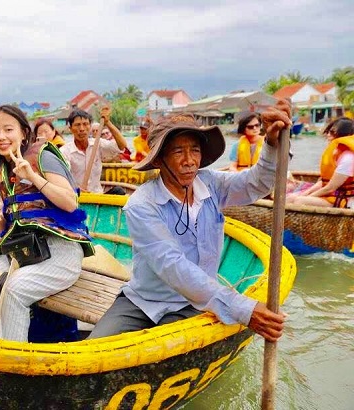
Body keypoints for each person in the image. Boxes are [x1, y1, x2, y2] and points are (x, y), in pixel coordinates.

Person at [89, 101, 292, 342]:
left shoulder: (212, 184)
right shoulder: (141, 205)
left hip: (194, 302)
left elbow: (257, 183)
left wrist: (271, 143)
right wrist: (242, 308)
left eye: (194, 150)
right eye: (177, 152)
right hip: (144, 300)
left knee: (165, 349)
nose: (189, 161)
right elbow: (173, 266)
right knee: (97, 344)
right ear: (158, 160)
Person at [0, 105, 94, 342]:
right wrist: (1, 219)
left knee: (14, 290)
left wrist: (33, 176)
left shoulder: (42, 155)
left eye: (8, 129)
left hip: (61, 251)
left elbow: (70, 203)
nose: (1, 137)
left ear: (24, 132)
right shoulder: (3, 169)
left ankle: (13, 363)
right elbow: (13, 228)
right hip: (24, 253)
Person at [287, 117, 354, 208]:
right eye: (328, 131)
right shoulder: (336, 152)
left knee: (299, 201)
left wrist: (307, 197)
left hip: (345, 200)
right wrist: (304, 194)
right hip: (331, 196)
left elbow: (331, 187)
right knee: (290, 198)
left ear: (346, 134)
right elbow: (322, 182)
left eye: (332, 132)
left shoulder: (348, 157)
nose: (328, 135)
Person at [60, 107, 127, 194]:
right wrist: (75, 190)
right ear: (70, 129)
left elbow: (122, 146)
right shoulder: (65, 151)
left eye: (85, 124)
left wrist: (108, 123)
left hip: (97, 196)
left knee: (119, 191)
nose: (82, 129)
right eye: (77, 125)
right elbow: (61, 178)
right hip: (75, 197)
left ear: (90, 127)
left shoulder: (98, 144)